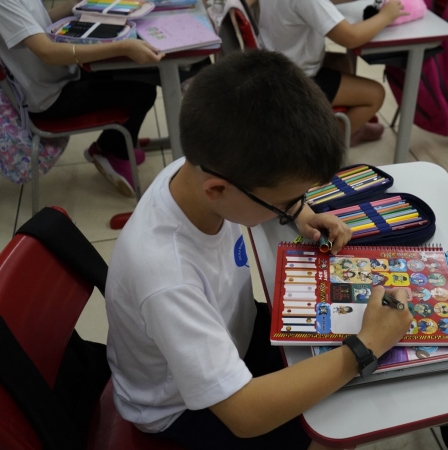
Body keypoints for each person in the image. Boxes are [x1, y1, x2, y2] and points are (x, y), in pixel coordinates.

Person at [104, 50, 413, 450]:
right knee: (346, 416)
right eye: (284, 201)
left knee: (347, 357)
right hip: (179, 410)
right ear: (218, 189)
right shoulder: (166, 275)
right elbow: (245, 416)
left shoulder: (201, 167)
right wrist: (366, 347)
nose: (291, 207)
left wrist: (300, 211)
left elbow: (255, 194)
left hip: (234, 336)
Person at [0, 0, 162, 197]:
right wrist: (123, 47)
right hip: (51, 97)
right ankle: (113, 152)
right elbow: (47, 53)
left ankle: (114, 145)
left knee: (138, 74)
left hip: (62, 75)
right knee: (142, 92)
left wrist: (77, 4)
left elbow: (37, 24)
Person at [258, 0, 407, 147]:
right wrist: (386, 15)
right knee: (376, 94)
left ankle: (352, 128)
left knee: (340, 60)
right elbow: (351, 38)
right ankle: (327, 143)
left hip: (272, 66)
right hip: (294, 83)